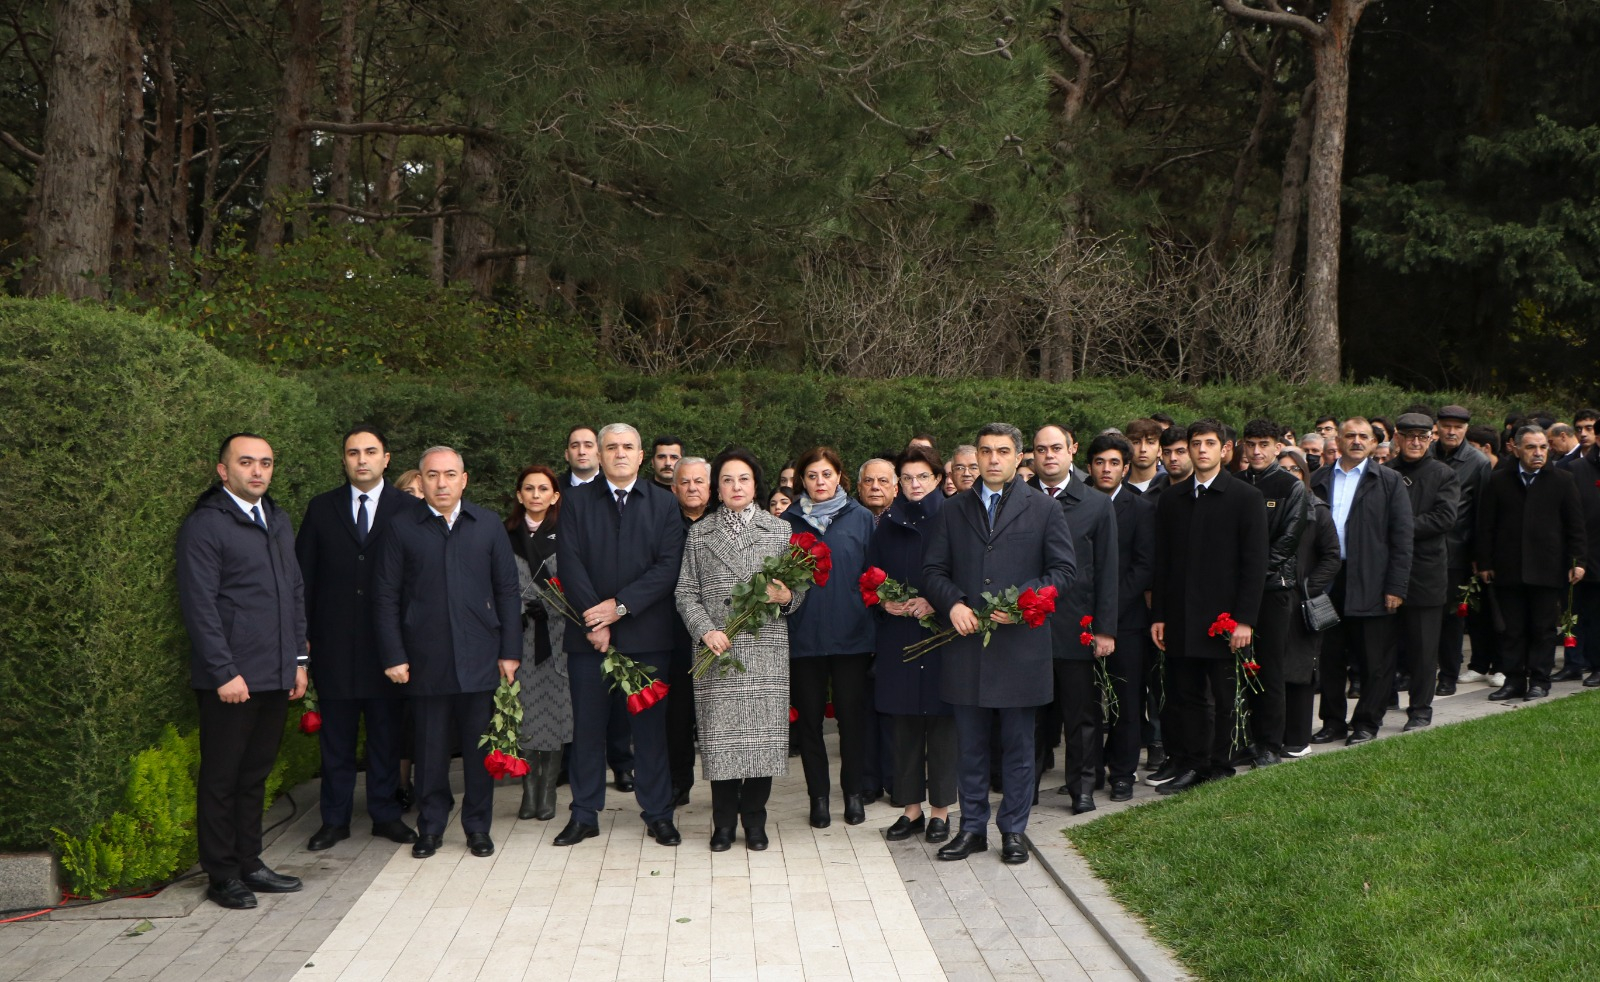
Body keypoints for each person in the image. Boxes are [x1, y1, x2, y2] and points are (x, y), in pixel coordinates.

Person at [922, 423, 1076, 864]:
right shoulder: (952, 511)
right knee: (969, 747)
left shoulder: (1043, 509)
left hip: (1019, 647)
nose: (992, 460)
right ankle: (971, 829)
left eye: (1002, 451)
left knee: (1018, 747)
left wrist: (1025, 602)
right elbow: (933, 570)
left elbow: (1063, 571)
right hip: (966, 644)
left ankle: (1013, 830)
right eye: (985, 451)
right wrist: (952, 604)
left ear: (1017, 457)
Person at [177, 433, 309, 910]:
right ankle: (222, 874)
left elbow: (294, 592)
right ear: (223, 470)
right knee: (221, 778)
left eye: (266, 463)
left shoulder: (277, 518)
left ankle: (250, 862)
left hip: (276, 673)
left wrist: (298, 661)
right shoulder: (206, 526)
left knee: (255, 775)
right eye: (247, 462)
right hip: (231, 680)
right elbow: (200, 605)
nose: (258, 471)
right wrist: (223, 671)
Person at [373, 447, 521, 860]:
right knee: (430, 751)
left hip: (481, 655)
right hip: (425, 660)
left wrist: (510, 651)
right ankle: (432, 827)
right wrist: (393, 655)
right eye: (433, 475)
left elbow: (508, 591)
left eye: (450, 474)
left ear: (464, 479)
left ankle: (477, 828)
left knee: (479, 750)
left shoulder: (487, 525)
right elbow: (385, 596)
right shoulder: (402, 528)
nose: (441, 483)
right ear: (420, 480)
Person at [553, 423, 687, 848]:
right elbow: (569, 563)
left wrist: (619, 608)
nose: (620, 453)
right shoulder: (574, 501)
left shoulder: (664, 503)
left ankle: (658, 813)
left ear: (642, 455)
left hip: (647, 636)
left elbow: (668, 567)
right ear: (599, 454)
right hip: (588, 639)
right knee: (588, 728)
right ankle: (584, 813)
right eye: (611, 447)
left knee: (649, 730)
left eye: (628, 447)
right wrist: (597, 621)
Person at [295, 426, 420, 853]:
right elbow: (303, 580)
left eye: (370, 451)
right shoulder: (321, 509)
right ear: (344, 460)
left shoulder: (409, 509)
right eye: (353, 452)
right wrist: (303, 638)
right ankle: (334, 819)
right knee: (337, 741)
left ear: (387, 458)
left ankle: (386, 814)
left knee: (386, 737)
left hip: (389, 650)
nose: (361, 459)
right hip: (333, 648)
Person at [674, 448, 801, 851]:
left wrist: (786, 597)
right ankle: (723, 824)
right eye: (727, 480)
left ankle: (756, 822)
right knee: (721, 741)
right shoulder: (700, 532)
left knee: (761, 742)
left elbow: (797, 590)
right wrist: (705, 630)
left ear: (755, 484)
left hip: (763, 649)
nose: (735, 486)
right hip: (718, 650)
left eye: (743, 479)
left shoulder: (779, 531)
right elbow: (685, 592)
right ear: (717, 488)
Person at [1148, 420, 1268, 795]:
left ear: (1225, 450)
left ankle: (1221, 763)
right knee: (1186, 694)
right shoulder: (1172, 498)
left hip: (1224, 618)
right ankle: (1192, 763)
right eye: (1195, 443)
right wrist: (1160, 615)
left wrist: (1245, 620)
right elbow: (1163, 563)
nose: (1201, 450)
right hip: (1181, 616)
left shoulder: (1244, 497)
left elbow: (1254, 563)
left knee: (1223, 694)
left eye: (1209, 443)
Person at [781, 447, 877, 828]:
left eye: (826, 474)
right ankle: (818, 797)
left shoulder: (862, 518)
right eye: (811, 476)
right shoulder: (786, 523)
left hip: (852, 636)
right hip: (804, 636)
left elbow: (875, 575)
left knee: (852, 719)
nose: (820, 482)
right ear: (800, 481)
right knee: (809, 723)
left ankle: (852, 794)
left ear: (840, 477)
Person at [1309, 418, 1415, 745]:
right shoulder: (1319, 478)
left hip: (1372, 579)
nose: (1356, 441)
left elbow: (1402, 537)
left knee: (1375, 660)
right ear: (1338, 441)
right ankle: (1332, 722)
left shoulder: (1389, 480)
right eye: (1350, 435)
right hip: (1328, 580)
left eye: (1363, 436)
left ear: (1373, 443)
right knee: (1329, 657)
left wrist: (1396, 587)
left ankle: (1367, 722)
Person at [1030, 424, 1118, 815]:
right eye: (1040, 449)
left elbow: (1107, 570)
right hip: (1026, 627)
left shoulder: (1097, 504)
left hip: (1077, 628)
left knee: (1082, 715)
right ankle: (1024, 786)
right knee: (1029, 715)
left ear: (1071, 451)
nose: (1048, 455)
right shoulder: (1019, 498)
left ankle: (1081, 787)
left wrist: (1104, 629)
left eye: (1056, 448)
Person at [867, 446, 953, 844]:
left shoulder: (955, 516)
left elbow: (969, 572)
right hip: (899, 633)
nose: (915, 484)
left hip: (941, 636)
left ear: (938, 478)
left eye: (923, 476)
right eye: (907, 477)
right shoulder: (888, 522)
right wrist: (883, 600)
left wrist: (938, 600)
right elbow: (869, 574)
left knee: (940, 727)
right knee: (903, 725)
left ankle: (940, 812)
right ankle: (910, 809)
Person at [1477, 425, 1587, 700]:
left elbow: (1575, 526)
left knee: (1543, 628)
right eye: (1530, 447)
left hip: (1547, 567)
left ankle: (1539, 679)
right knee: (1511, 629)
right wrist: (1485, 561)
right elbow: (1485, 525)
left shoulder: (1562, 480)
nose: (1538, 453)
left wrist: (1578, 561)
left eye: (1543, 447)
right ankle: (1513, 680)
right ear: (1515, 448)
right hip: (1508, 567)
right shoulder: (1498, 480)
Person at [1083, 434, 1153, 802]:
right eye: (1099, 462)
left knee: (1126, 701)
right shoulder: (1076, 504)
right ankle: (1089, 771)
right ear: (1089, 465)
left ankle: (1122, 773)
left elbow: (1143, 567)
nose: (1106, 469)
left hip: (1126, 622)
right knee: (1087, 702)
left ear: (1126, 468)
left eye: (1114, 463)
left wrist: (1108, 609)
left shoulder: (1141, 509)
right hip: (1081, 621)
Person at [1237, 419, 1311, 768]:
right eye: (1250, 443)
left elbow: (1286, 543)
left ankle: (1270, 742)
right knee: (1238, 668)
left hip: (1273, 589)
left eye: (1263, 444)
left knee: (1269, 668)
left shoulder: (1290, 487)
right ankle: (1243, 737)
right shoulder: (1234, 483)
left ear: (1277, 446)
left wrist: (1251, 577)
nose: (1256, 451)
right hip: (1235, 590)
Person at [504, 464, 572, 821]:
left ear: (555, 496)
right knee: (525, 713)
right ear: (519, 495)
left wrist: (553, 606)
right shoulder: (504, 534)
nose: (535, 495)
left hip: (558, 635)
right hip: (520, 633)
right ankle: (528, 792)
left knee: (556, 712)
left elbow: (578, 583)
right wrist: (517, 606)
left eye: (543, 489)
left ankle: (548, 792)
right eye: (528, 489)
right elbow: (494, 586)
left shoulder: (568, 533)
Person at [1387, 414, 1460, 729]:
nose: (1415, 442)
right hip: (1386, 571)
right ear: (1397, 437)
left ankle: (1420, 709)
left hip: (1425, 571)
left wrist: (1398, 528)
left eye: (1422, 436)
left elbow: (1444, 518)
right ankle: (1379, 702)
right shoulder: (1384, 472)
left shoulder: (1443, 474)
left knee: (1422, 648)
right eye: (1408, 436)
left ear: (1432, 437)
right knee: (1383, 646)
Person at [1276, 449, 1342, 756]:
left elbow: (1332, 556)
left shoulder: (1318, 510)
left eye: (1295, 469)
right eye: (1283, 469)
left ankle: (1297, 740)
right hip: (1271, 600)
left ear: (1305, 474)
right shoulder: (1265, 506)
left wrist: (1307, 588)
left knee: (1300, 671)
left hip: (1302, 604)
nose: (1289, 474)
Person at [1432, 405, 1496, 695]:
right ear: (1438, 427)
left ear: (1466, 429)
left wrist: (1480, 556)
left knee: (1452, 617)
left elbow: (1483, 513)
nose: (1451, 431)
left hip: (1457, 551)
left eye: (1458, 427)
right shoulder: (1425, 452)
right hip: (1420, 549)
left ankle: (1448, 674)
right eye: (1446, 425)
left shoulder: (1477, 462)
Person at [667, 456, 713, 805]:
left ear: (710, 488)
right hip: (673, 632)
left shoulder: (721, 524)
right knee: (677, 716)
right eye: (685, 482)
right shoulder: (663, 524)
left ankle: (725, 788)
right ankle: (678, 785)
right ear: (673, 487)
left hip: (720, 633)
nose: (692, 487)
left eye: (699, 481)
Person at [1125, 419, 1165, 492]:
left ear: (1160, 450)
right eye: (1136, 442)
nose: (1143, 449)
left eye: (1150, 442)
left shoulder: (1169, 485)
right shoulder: (1117, 486)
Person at [857, 457, 898, 524]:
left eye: (883, 481)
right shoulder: (848, 521)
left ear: (895, 489)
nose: (875, 486)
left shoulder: (908, 520)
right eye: (868, 481)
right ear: (859, 488)